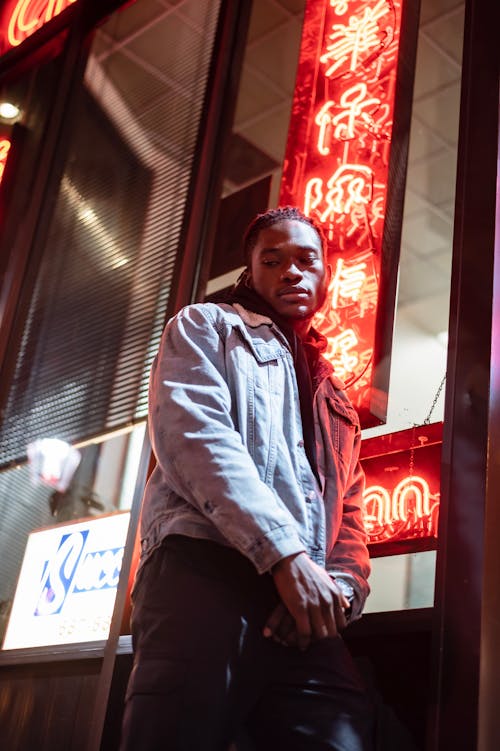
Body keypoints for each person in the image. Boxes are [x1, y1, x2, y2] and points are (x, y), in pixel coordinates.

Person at [120, 206, 374, 750]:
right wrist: (285, 555)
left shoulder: (336, 399)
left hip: (304, 601)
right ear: (250, 272)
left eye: (307, 260)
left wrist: (341, 591)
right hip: (203, 570)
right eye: (272, 259)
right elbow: (194, 437)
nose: (291, 272)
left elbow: (350, 512)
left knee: (345, 734)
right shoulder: (206, 326)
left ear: (327, 273)